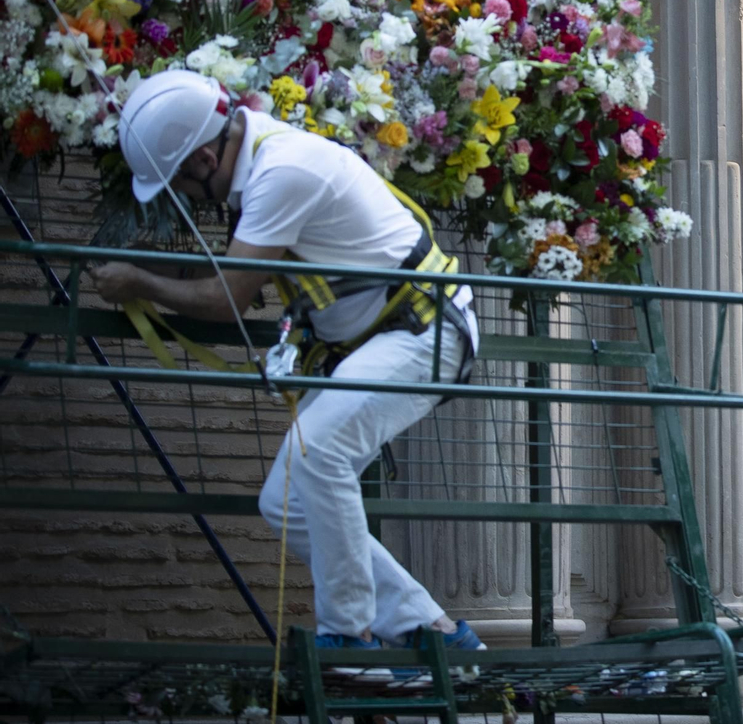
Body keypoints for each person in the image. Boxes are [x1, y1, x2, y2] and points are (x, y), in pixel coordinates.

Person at [88, 69, 485, 655]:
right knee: (283, 499)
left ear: (202, 158)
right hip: (385, 335)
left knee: (320, 451)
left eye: (180, 183)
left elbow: (227, 296)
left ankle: (349, 638)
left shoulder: (282, 171)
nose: (188, 198)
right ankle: (427, 628)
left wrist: (138, 282)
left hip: (423, 331)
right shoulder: (267, 164)